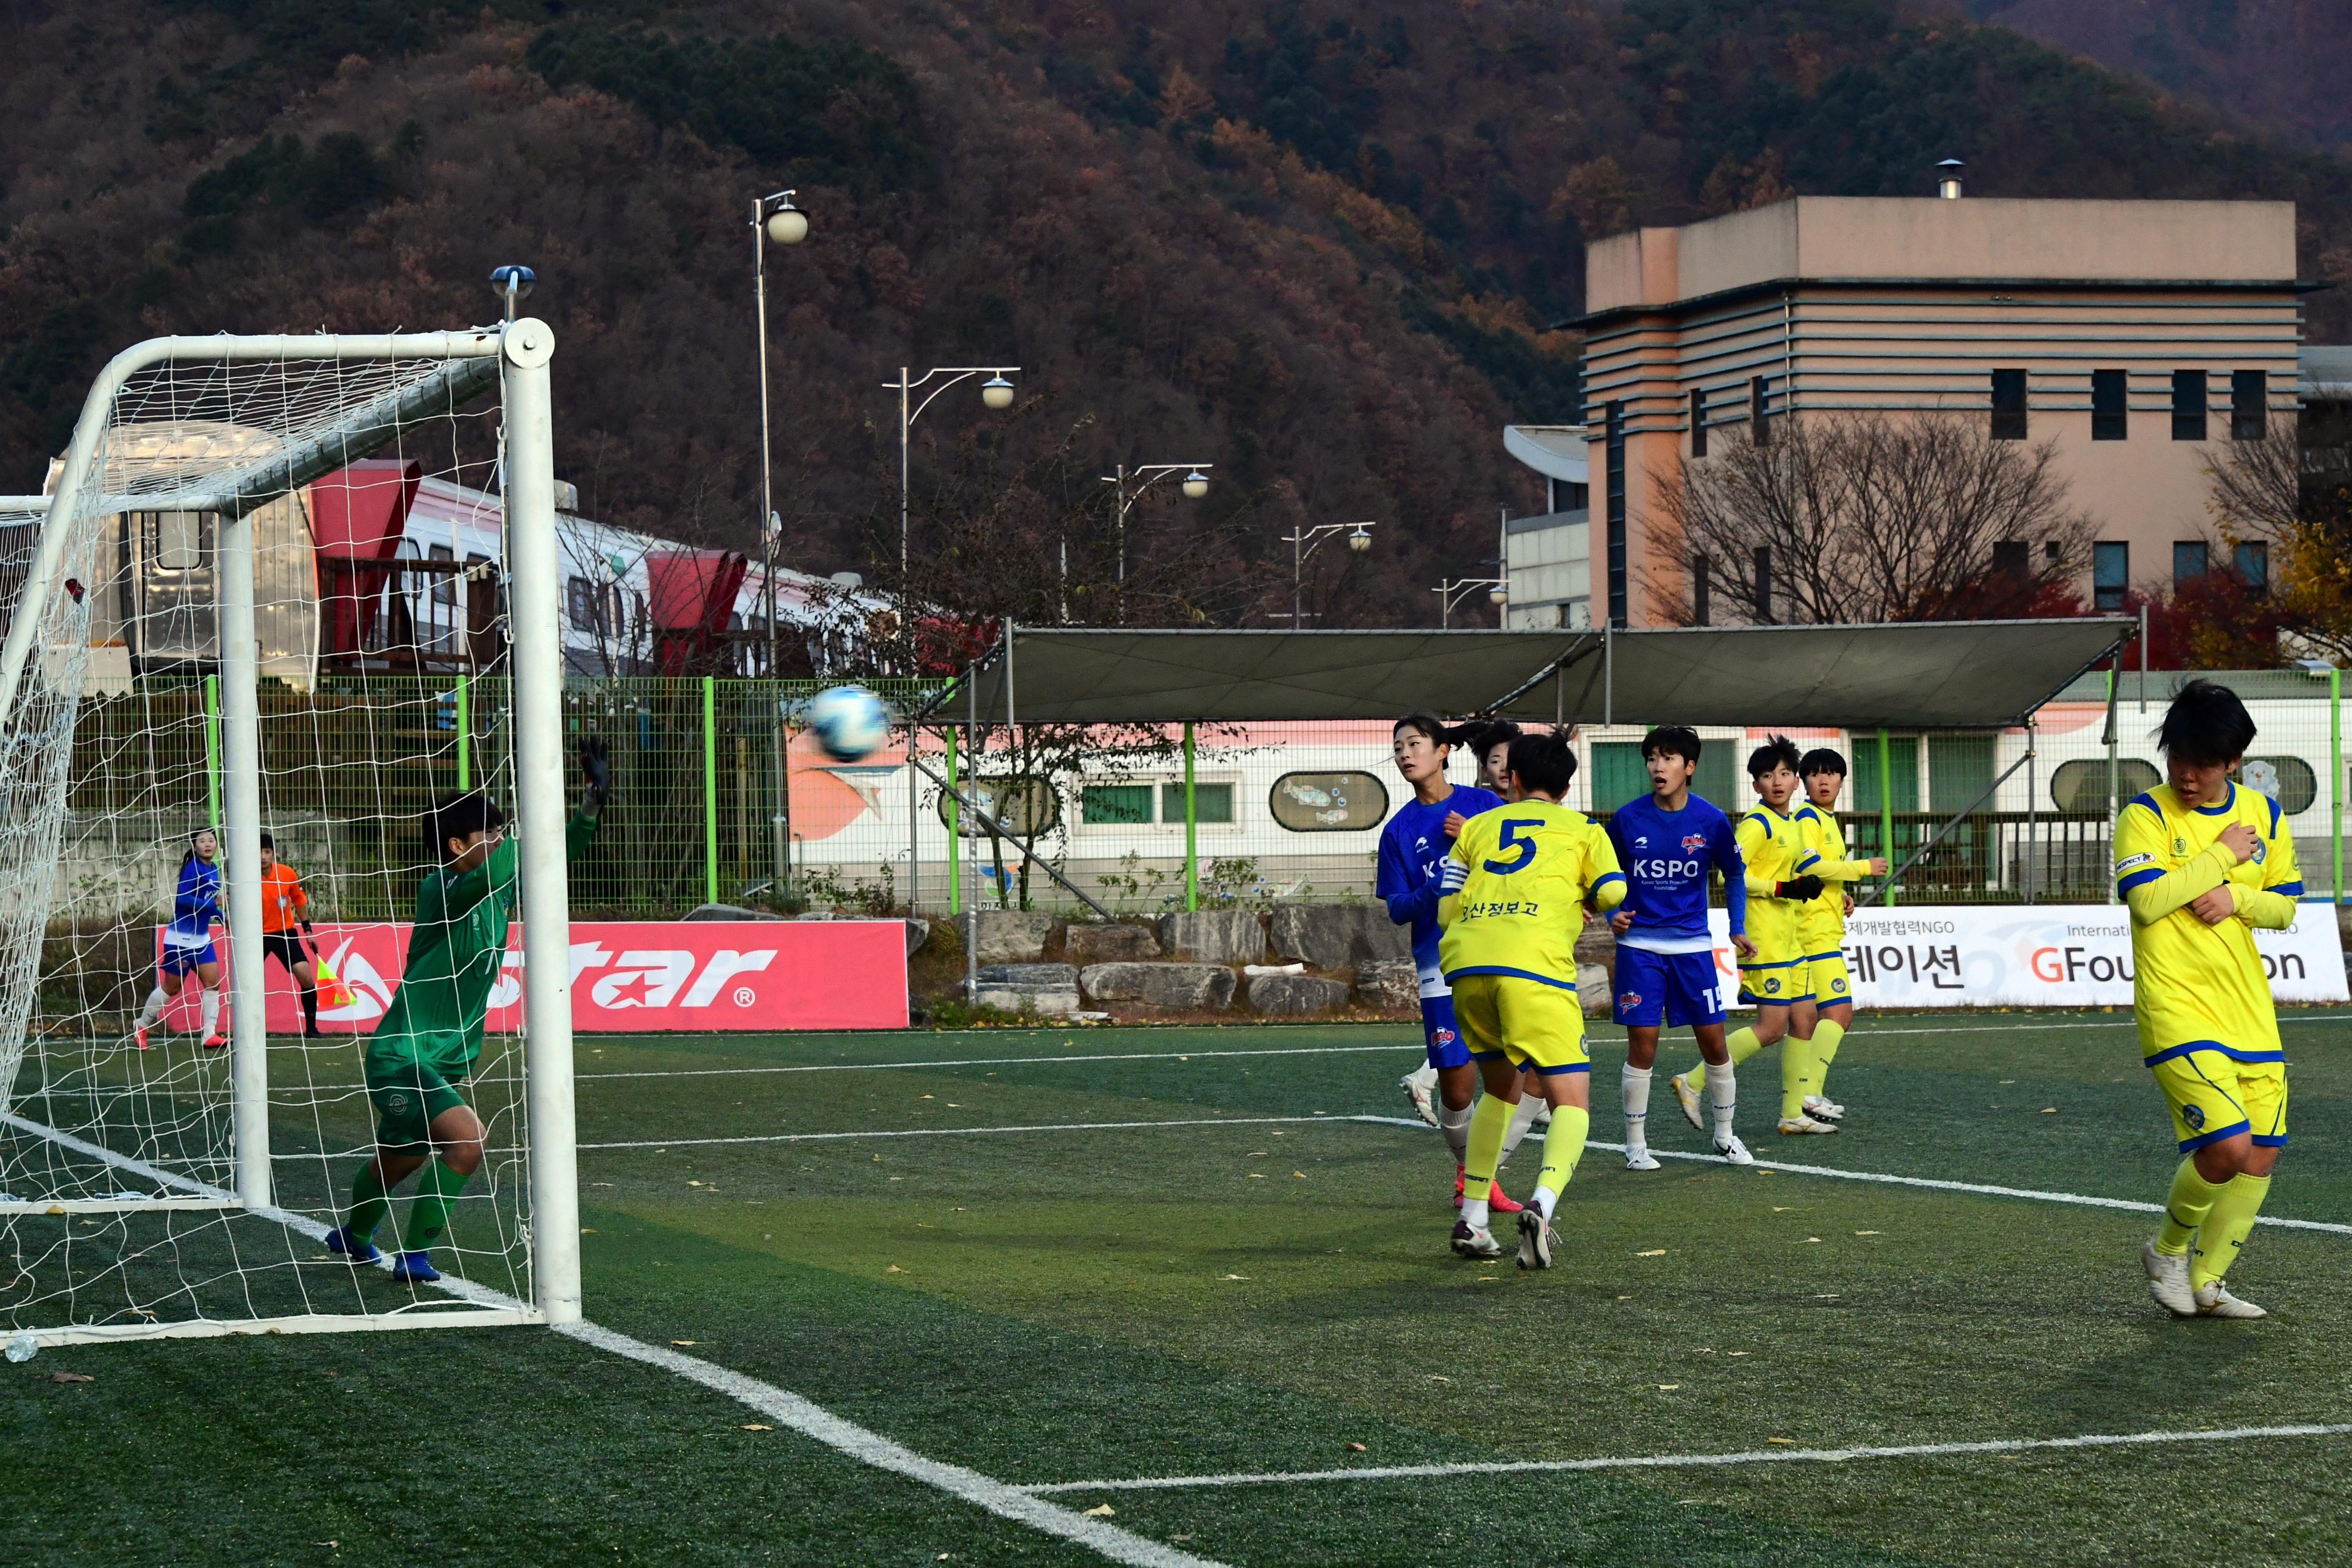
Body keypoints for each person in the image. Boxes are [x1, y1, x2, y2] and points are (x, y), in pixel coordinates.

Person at [327, 741, 609, 1283]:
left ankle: (353, 1235)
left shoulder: (497, 887)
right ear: (457, 845)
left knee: (400, 1160)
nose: (501, 842)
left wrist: (591, 805)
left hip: (448, 1057)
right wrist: (545, 792)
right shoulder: (444, 885)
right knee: (468, 1140)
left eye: (502, 833)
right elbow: (518, 856)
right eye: (491, 834)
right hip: (402, 1054)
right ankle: (412, 1258)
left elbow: (552, 856)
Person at [2123, 681, 2298, 1320]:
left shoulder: (2266, 814)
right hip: (2177, 1004)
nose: (2186, 774)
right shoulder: (2145, 814)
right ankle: (2167, 1252)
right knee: (2225, 1146)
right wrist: (2222, 857)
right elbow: (2147, 900)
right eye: (2178, 759)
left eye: (2201, 762)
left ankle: (2207, 1282)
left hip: (2247, 1008)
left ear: (2233, 761)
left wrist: (2240, 899)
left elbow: (2286, 906)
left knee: (2263, 1150)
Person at [1438, 730, 1625, 1269]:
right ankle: (1541, 1206)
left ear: (1512, 779)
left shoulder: (1475, 827)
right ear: (1567, 788)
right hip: (1534, 969)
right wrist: (1583, 892)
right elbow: (1614, 894)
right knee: (1572, 1101)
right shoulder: (1585, 829)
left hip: (1468, 967)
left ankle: (1473, 1218)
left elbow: (1444, 909)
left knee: (1500, 1093)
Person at [1378, 715, 1521, 1217]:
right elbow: (1397, 908)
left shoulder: (1485, 807)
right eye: (1397, 748)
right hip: (1438, 964)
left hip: (1496, 955)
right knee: (1458, 1085)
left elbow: (1517, 872)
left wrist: (1477, 839)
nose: (1404, 754)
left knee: (1513, 1076)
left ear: (1443, 751)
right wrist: (1433, 890)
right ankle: (1470, 1178)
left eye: (1414, 744)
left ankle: (1479, 1183)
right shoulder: (1397, 830)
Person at [1668, 736, 1838, 1136]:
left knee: (1806, 1019)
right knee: (1772, 1027)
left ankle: (1793, 1113)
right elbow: (1735, 872)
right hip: (1764, 936)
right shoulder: (1756, 824)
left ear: (1796, 782)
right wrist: (1782, 890)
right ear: (1756, 785)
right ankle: (1691, 1082)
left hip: (1791, 934)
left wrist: (1829, 889)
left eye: (1783, 774)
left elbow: (1796, 868)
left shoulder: (1792, 824)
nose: (1777, 782)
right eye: (1767, 776)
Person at [1605, 726, 1756, 1169]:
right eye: (1652, 757)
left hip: (1692, 948)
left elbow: (1735, 874)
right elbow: (1603, 876)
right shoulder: (1627, 819)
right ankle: (1636, 1146)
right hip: (1639, 947)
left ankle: (1725, 1136)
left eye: (1669, 758)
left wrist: (1737, 926)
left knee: (1714, 1043)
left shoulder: (1711, 820)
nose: (1658, 766)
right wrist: (1609, 910)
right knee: (1644, 1046)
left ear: (1689, 767)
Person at [1786, 749, 1886, 1124]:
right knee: (1836, 1014)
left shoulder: (1826, 819)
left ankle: (1807, 1094)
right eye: (1814, 775)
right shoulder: (1808, 817)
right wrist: (1862, 868)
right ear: (1805, 782)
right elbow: (1808, 864)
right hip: (1811, 932)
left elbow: (1819, 873)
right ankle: (1807, 1093)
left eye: (1831, 774)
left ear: (1843, 781)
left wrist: (1839, 894)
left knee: (1826, 1016)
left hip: (1823, 927)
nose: (1823, 781)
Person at [133, 828, 228, 1051]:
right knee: (172, 987)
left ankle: (209, 1035)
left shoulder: (213, 868)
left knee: (213, 983)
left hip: (202, 939)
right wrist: (215, 906)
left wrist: (222, 916)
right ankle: (142, 1025)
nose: (207, 844)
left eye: (211, 840)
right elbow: (183, 900)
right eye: (202, 841)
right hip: (180, 940)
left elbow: (209, 904)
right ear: (194, 847)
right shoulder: (192, 868)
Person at [256, 831, 324, 1038]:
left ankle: (311, 1029)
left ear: (274, 854)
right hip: (255, 936)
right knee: (247, 982)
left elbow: (299, 901)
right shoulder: (244, 875)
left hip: (285, 933)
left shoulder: (287, 874)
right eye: (258, 852)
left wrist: (308, 931)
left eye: (267, 852)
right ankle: (248, 1030)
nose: (263, 857)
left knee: (306, 976)